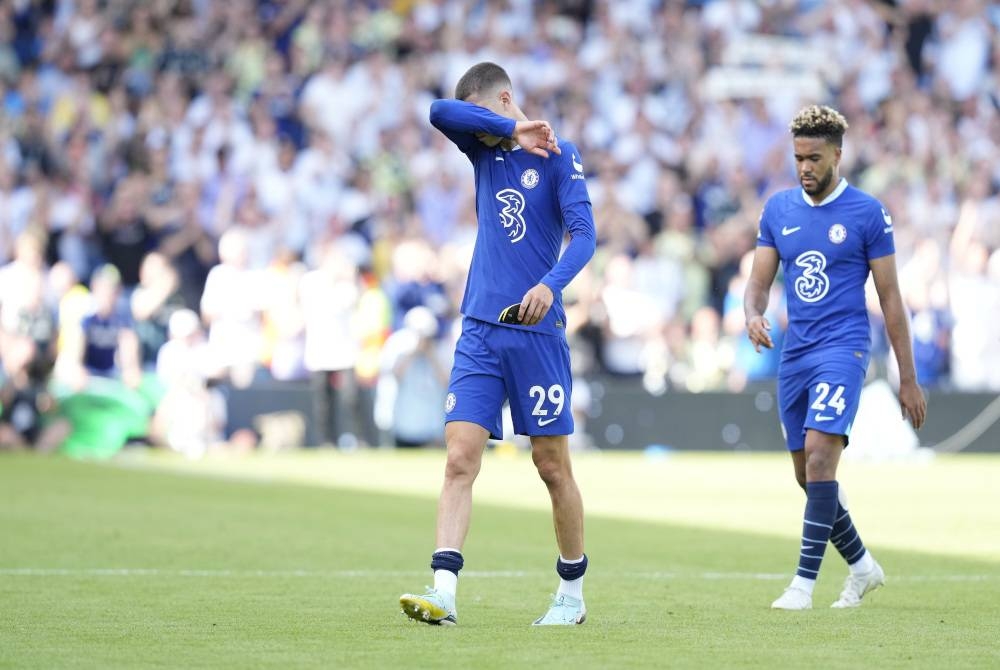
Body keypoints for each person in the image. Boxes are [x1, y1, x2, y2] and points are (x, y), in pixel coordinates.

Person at [399, 62, 596, 626]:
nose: (477, 126)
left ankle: (571, 595)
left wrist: (549, 285)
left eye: (489, 113)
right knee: (460, 457)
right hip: (480, 328)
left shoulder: (560, 156)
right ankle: (444, 593)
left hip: (536, 332)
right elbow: (439, 112)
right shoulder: (485, 148)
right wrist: (510, 130)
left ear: (505, 97)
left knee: (551, 466)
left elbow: (585, 237)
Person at [743, 105, 927, 610]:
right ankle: (863, 567)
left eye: (814, 158)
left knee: (823, 458)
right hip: (795, 355)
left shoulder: (868, 213)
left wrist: (906, 379)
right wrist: (753, 315)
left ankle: (803, 584)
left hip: (843, 350)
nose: (804, 167)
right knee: (808, 476)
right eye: (798, 157)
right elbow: (757, 285)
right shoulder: (778, 210)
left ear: (837, 155)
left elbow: (891, 298)